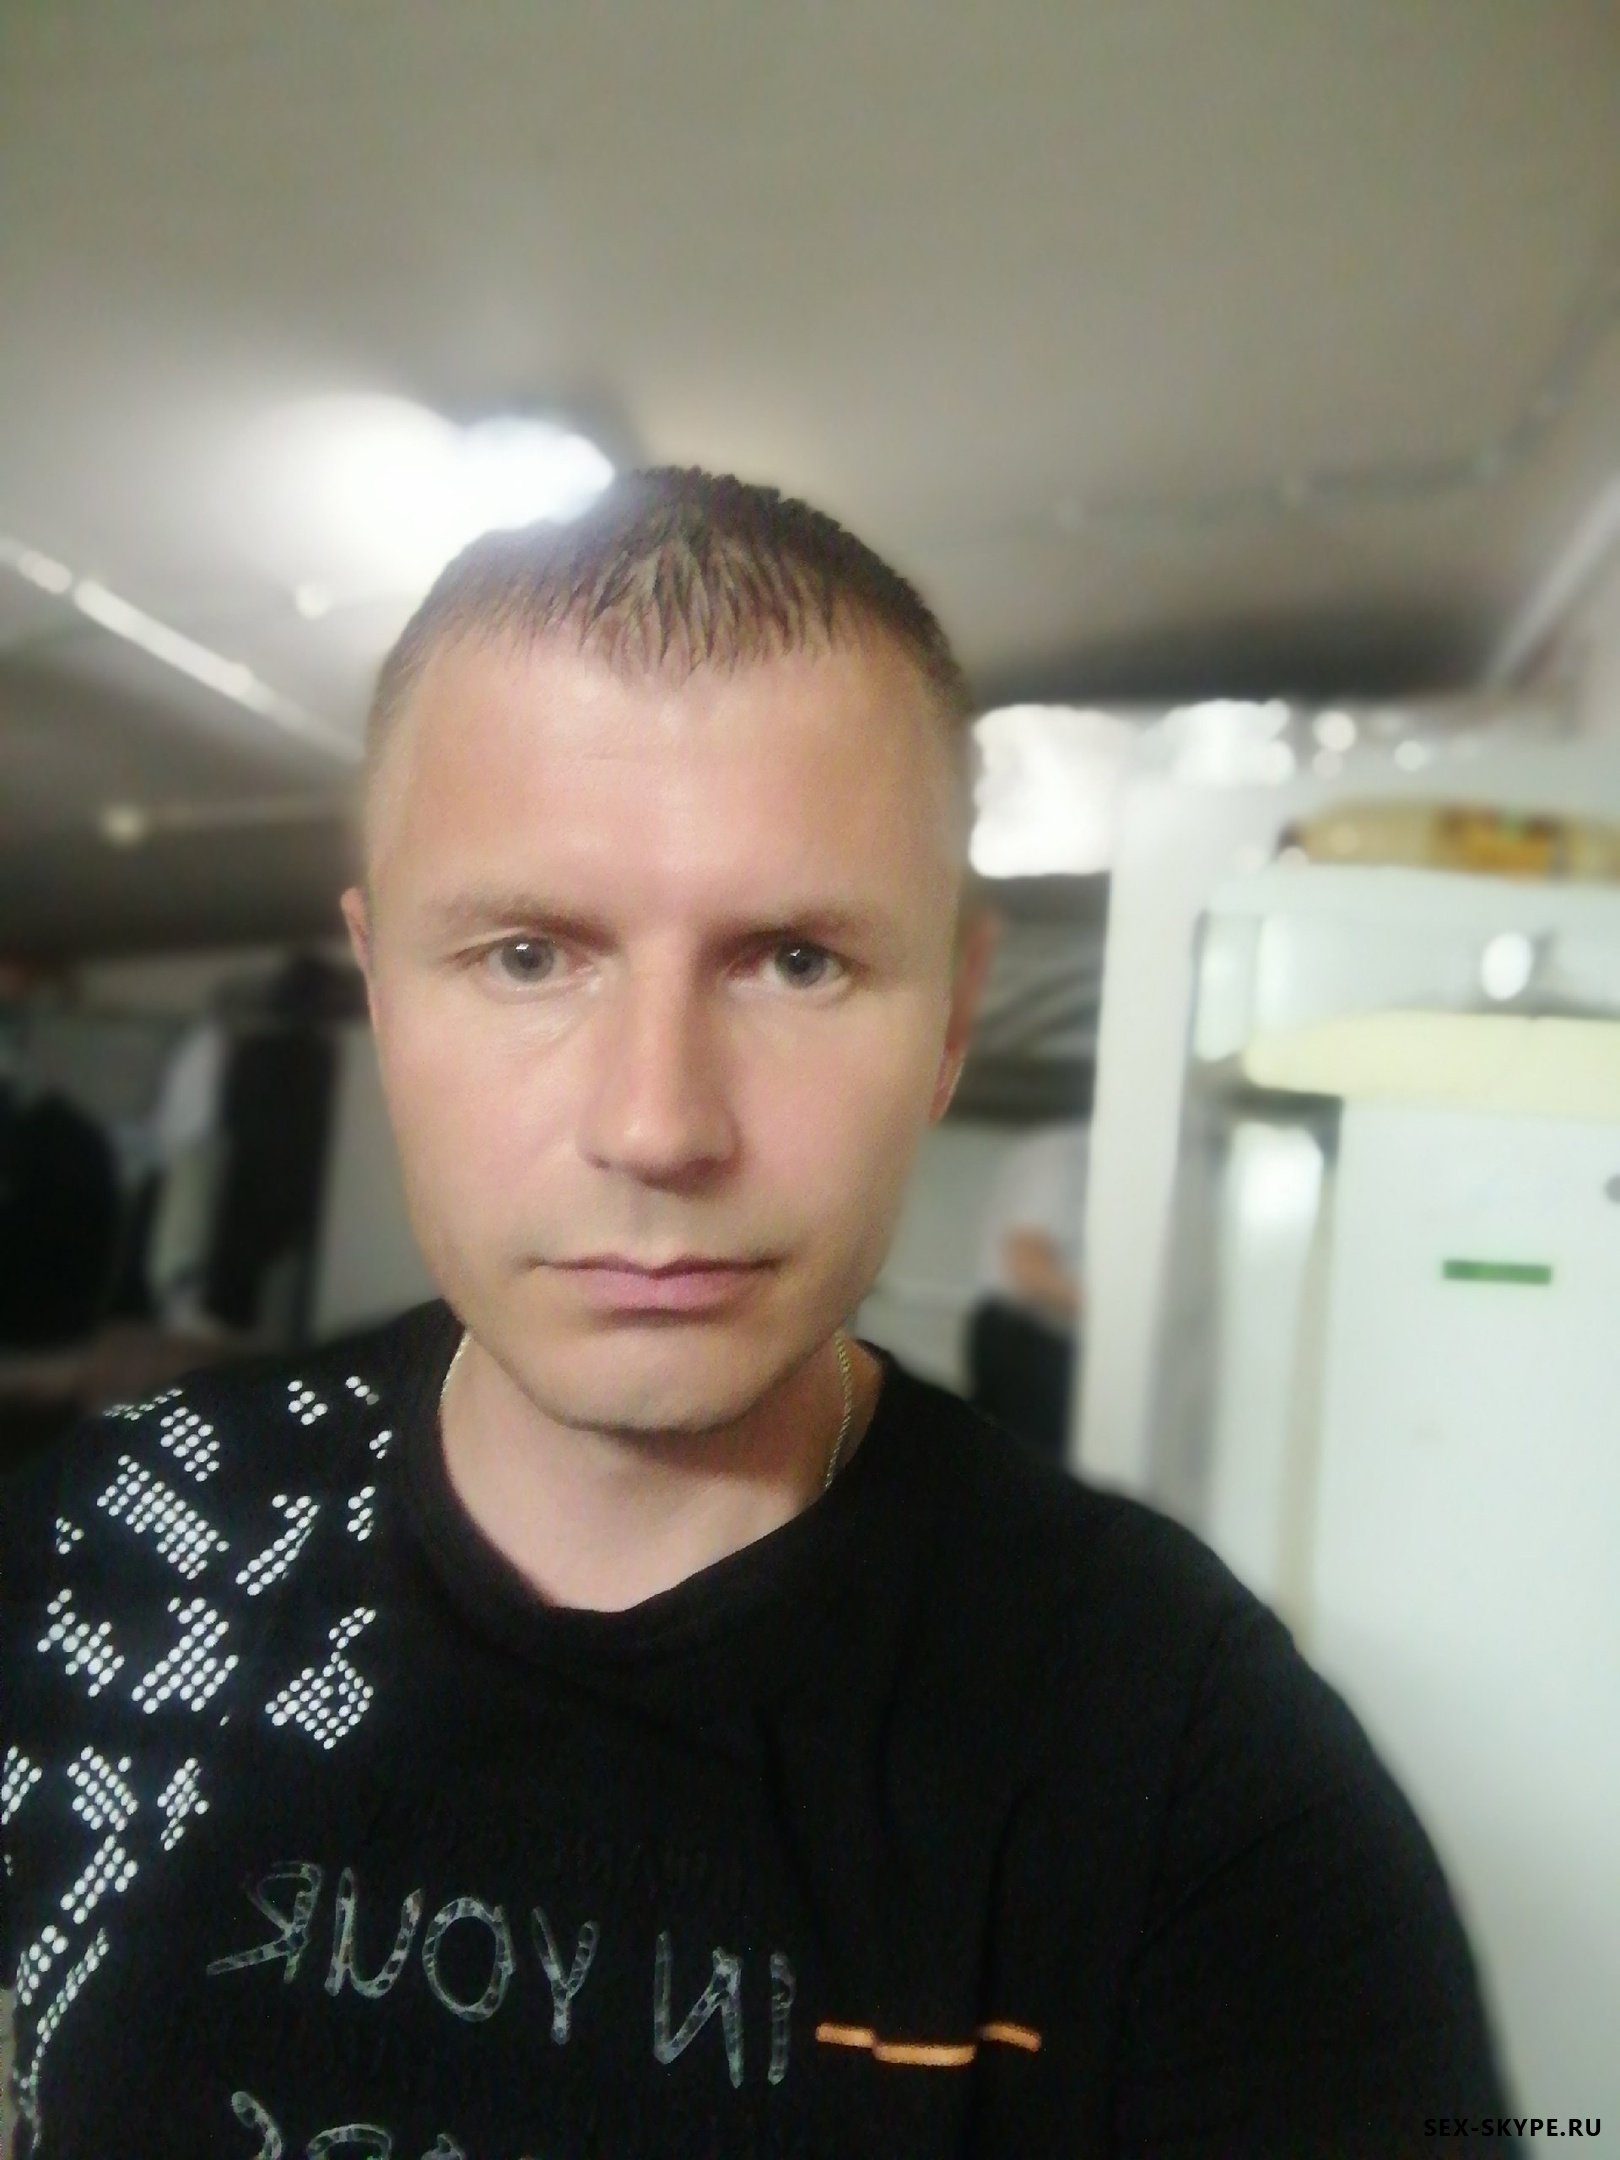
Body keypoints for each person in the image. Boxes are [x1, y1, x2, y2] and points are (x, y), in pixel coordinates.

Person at [0, 470, 1512, 2158]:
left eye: (796, 960)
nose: (657, 1126)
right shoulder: (98, 1552)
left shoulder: (1188, 1778)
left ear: (951, 1024)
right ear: (379, 988)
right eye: (527, 956)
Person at [966, 1118, 1087, 1459]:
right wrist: (1115, 1317)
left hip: (1037, 1333)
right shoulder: (1064, 1153)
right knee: (1028, 1459)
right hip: (1027, 1334)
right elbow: (1027, 1264)